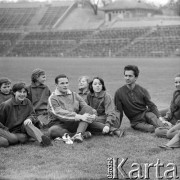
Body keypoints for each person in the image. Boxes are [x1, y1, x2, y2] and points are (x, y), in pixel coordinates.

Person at [114, 65, 165, 133]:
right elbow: (119, 112)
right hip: (136, 121)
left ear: (136, 77)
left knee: (159, 124)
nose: (127, 78)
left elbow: (151, 105)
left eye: (130, 76)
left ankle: (172, 130)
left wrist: (160, 117)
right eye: (126, 75)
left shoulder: (142, 90)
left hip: (146, 114)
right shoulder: (119, 93)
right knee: (151, 129)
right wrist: (116, 128)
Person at [0, 82, 51, 148]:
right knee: (6, 142)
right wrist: (6, 130)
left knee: (28, 124)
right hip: (8, 130)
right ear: (14, 92)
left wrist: (29, 118)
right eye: (20, 92)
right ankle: (18, 138)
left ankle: (43, 140)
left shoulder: (28, 102)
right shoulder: (6, 105)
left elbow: (33, 115)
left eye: (24, 92)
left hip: (21, 129)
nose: (22, 94)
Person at [48, 74, 96, 143]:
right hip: (60, 124)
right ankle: (80, 134)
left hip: (75, 122)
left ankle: (78, 134)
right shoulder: (52, 98)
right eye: (62, 83)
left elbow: (85, 107)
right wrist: (79, 116)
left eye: (67, 83)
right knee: (52, 131)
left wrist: (93, 114)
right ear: (56, 85)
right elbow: (58, 113)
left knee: (88, 108)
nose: (65, 85)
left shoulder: (74, 95)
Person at [155, 73, 180, 138]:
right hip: (172, 120)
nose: (177, 84)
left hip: (177, 124)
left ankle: (174, 133)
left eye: (179, 82)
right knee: (156, 112)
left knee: (158, 131)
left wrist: (172, 126)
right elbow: (171, 108)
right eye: (176, 82)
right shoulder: (176, 93)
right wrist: (165, 119)